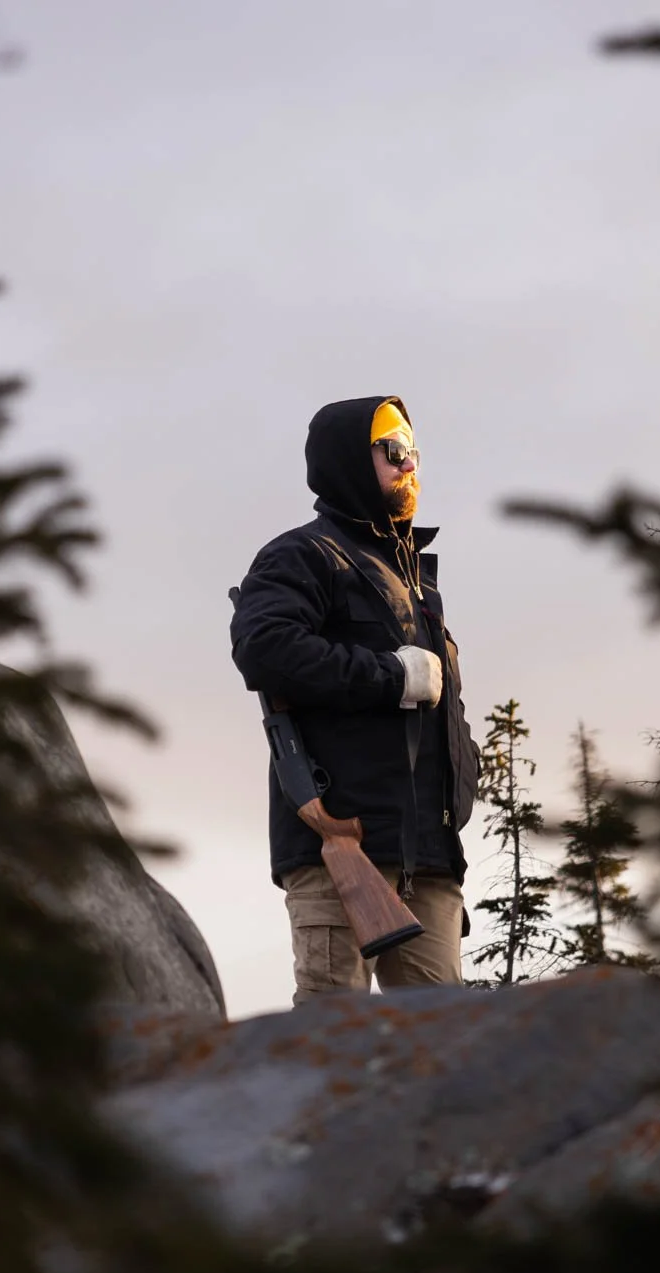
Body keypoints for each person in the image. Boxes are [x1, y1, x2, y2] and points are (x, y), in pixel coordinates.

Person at [230, 396, 481, 1003]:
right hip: (336, 848)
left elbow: (444, 707)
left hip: (428, 859)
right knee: (331, 1036)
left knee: (438, 1052)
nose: (409, 465)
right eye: (393, 451)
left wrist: (460, 784)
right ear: (349, 460)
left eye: (413, 452)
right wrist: (388, 677)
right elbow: (263, 647)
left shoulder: (417, 582)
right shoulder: (303, 556)